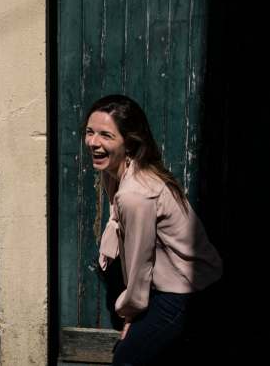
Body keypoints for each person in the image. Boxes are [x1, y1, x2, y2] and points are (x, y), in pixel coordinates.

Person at [83, 94, 222, 366]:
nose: (93, 142)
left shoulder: (135, 193)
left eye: (106, 135)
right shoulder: (118, 169)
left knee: (125, 360)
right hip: (175, 285)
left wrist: (131, 314)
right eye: (90, 132)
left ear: (130, 143)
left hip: (184, 292)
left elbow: (139, 262)